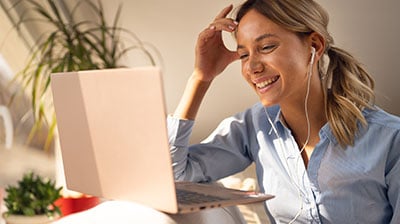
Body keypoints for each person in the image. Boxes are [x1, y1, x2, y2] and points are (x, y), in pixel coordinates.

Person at [167, 0, 400, 223]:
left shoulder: (390, 139)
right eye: (244, 55)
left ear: (314, 46)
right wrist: (201, 77)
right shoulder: (253, 127)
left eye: (266, 47)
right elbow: (173, 177)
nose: (253, 67)